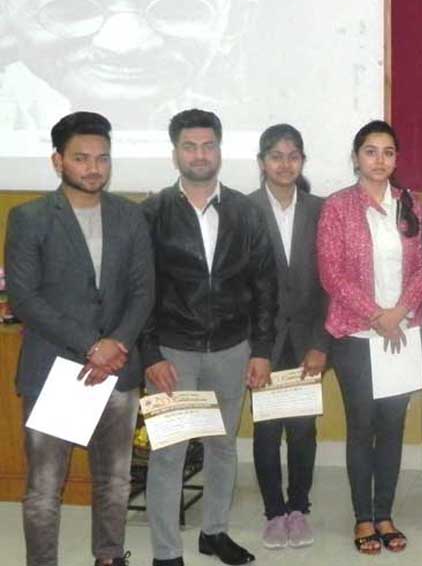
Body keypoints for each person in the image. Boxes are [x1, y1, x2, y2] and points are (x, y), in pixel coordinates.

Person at [6, 111, 154, 566]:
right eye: (81, 158)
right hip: (57, 370)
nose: (94, 168)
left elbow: (143, 291)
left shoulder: (130, 215)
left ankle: (109, 556)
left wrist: (115, 345)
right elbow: (25, 298)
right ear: (58, 161)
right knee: (45, 489)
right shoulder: (29, 217)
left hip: (118, 371)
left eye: (102, 158)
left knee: (115, 481)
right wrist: (93, 345)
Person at [140, 108, 276, 566]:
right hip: (173, 352)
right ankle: (166, 553)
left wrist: (261, 350)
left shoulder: (245, 211)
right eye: (189, 146)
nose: (200, 155)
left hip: (232, 349)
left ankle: (214, 532)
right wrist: (150, 354)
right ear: (175, 153)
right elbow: (140, 290)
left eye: (208, 146)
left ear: (219, 150)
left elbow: (265, 285)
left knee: (222, 446)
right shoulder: (153, 213)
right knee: (169, 454)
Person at [0, 0, 248, 130]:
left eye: (176, 9)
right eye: (71, 10)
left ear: (232, 25)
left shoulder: (241, 130)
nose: (124, 45)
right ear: (5, 20)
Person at [316, 120, 422, 556]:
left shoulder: (410, 204)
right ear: (356, 157)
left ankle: (384, 513)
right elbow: (331, 273)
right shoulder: (338, 207)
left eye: (388, 152)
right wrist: (377, 315)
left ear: (396, 159)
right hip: (356, 334)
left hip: (402, 333)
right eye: (370, 151)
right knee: (362, 426)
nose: (380, 160)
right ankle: (363, 516)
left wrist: (399, 313)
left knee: (393, 426)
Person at [248, 124, 329, 551]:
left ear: (302, 161)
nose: (284, 164)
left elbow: (331, 282)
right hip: (262, 343)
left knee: (302, 430)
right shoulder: (243, 209)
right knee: (265, 431)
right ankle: (273, 513)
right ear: (262, 162)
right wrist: (254, 348)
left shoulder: (321, 209)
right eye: (276, 156)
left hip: (308, 341)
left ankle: (299, 508)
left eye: (292, 156)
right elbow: (237, 285)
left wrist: (321, 343)